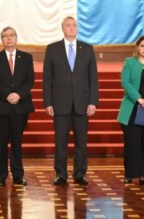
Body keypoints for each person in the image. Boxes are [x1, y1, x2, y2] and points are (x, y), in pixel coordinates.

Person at [42, 16, 99, 186]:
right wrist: (48, 102)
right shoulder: (52, 49)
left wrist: (93, 102)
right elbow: (47, 79)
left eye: (74, 25)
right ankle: (61, 173)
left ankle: (80, 173)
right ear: (62, 28)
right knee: (60, 141)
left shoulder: (88, 49)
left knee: (81, 142)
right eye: (68, 25)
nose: (72, 28)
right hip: (60, 103)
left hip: (82, 103)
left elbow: (93, 78)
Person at [0, 26, 35, 186]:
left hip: (20, 107)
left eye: (12, 35)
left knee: (17, 142)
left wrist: (19, 95)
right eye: (5, 36)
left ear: (16, 38)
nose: (9, 38)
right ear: (2, 40)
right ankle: (1, 175)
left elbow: (30, 80)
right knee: (1, 143)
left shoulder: (27, 58)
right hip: (0, 107)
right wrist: (7, 95)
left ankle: (18, 175)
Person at [117, 35, 144, 185]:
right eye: (142, 46)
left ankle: (143, 174)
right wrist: (139, 99)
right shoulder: (129, 62)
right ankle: (130, 173)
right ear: (137, 48)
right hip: (132, 109)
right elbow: (125, 83)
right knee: (132, 142)